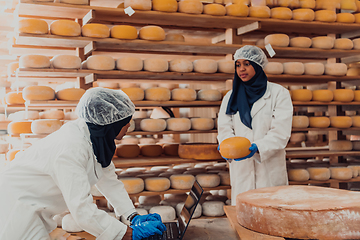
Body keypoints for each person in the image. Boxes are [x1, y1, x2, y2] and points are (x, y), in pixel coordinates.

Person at [0, 88, 166, 240]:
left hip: (35, 209)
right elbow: (81, 209)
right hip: (14, 208)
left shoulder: (96, 140)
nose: (129, 125)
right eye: (125, 121)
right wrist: (127, 233)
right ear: (110, 124)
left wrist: (132, 216)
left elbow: (108, 180)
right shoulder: (71, 148)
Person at [217, 45, 293, 205]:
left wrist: (258, 147)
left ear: (257, 65)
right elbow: (225, 128)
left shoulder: (279, 93)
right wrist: (226, 145)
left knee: (271, 219)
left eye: (247, 64)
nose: (241, 69)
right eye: (238, 65)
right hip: (242, 169)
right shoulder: (230, 97)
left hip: (269, 169)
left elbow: (281, 132)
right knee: (243, 219)